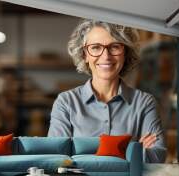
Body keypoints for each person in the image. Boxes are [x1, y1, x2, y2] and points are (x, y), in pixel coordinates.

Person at [47, 20, 166, 163]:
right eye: (96, 47)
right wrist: (132, 149)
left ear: (125, 52)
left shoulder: (144, 103)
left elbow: (157, 157)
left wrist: (79, 153)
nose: (106, 56)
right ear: (85, 54)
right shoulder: (66, 103)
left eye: (114, 47)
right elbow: (57, 158)